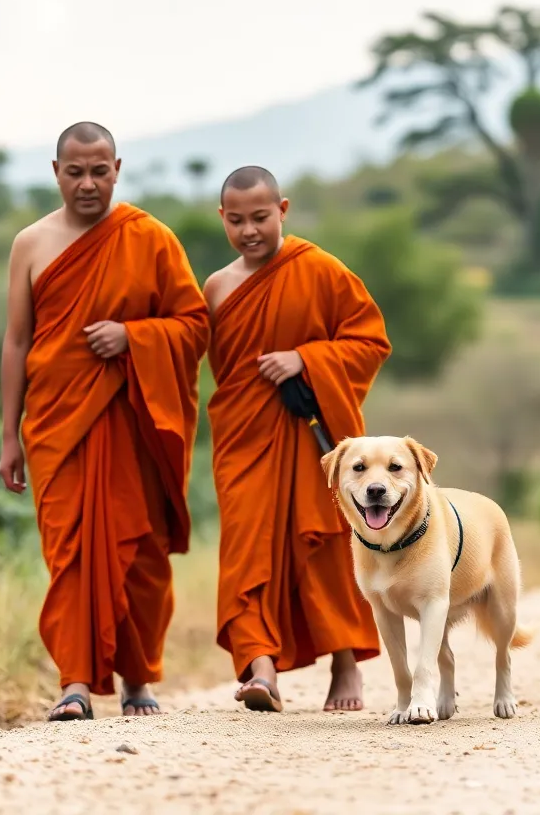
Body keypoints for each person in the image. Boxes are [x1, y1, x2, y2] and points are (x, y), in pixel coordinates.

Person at [0, 122, 210, 721]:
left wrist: (134, 337)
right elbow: (16, 342)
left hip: (132, 423)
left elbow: (194, 325)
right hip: (56, 426)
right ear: (55, 172)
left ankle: (138, 679)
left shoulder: (150, 238)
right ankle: (74, 683)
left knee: (137, 551)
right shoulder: (31, 244)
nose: (87, 184)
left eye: (99, 171)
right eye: (75, 172)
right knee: (70, 554)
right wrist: (7, 435)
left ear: (117, 168)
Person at [203, 165, 391, 713]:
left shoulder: (320, 270)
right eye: (236, 221)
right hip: (244, 437)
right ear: (222, 219)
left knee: (324, 545)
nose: (249, 230)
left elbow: (370, 340)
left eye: (260, 217)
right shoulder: (217, 287)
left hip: (312, 438)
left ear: (282, 210)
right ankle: (261, 668)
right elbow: (224, 369)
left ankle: (346, 665)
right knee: (244, 547)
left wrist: (306, 359)